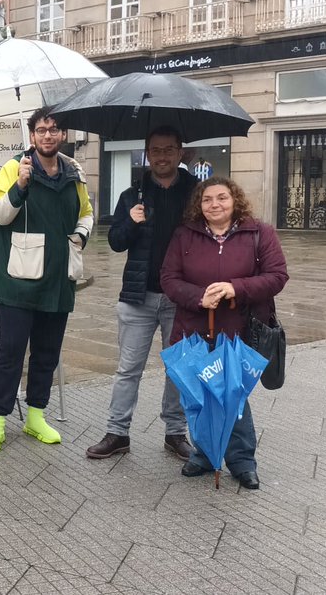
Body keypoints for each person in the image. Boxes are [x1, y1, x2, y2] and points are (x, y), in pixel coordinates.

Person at [0, 106, 94, 453]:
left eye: (54, 129)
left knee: (47, 352)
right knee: (11, 351)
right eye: (41, 129)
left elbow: (86, 213)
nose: (48, 135)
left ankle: (35, 416)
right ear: (32, 136)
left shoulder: (74, 171)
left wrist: (81, 236)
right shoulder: (14, 167)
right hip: (19, 278)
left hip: (58, 278)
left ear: (63, 135)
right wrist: (20, 186)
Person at [160, 176, 288, 490]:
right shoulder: (184, 235)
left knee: (234, 395)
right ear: (199, 204)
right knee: (199, 396)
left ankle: (242, 462)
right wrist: (198, 297)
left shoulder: (259, 233)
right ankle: (204, 454)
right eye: (207, 199)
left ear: (234, 200)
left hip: (239, 332)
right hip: (194, 332)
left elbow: (277, 276)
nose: (214, 204)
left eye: (222, 198)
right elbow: (169, 278)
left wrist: (236, 288)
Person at [87, 126, 198, 461]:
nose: (162, 156)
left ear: (180, 152)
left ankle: (175, 433)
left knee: (179, 369)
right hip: (138, 297)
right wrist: (132, 222)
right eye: (155, 150)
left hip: (180, 298)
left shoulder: (196, 193)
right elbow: (115, 242)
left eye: (168, 149)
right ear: (147, 154)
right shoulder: (131, 195)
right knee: (128, 369)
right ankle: (117, 432)